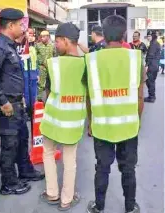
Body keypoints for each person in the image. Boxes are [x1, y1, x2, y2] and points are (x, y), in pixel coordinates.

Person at [0, 8, 44, 196]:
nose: (22, 28)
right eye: (20, 24)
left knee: (22, 139)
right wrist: (3, 101)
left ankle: (25, 170)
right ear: (10, 25)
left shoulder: (9, 46)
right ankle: (8, 183)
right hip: (7, 106)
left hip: (17, 103)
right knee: (10, 145)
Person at [86, 15, 144, 213]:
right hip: (129, 126)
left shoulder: (92, 60)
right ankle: (130, 207)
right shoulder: (135, 57)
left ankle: (98, 206)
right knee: (128, 168)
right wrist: (137, 121)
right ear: (124, 34)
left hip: (102, 126)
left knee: (102, 167)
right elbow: (140, 97)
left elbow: (89, 96)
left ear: (104, 34)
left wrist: (90, 122)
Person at [39, 23, 87, 211]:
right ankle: (66, 199)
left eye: (57, 41)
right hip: (73, 123)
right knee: (70, 161)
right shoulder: (86, 65)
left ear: (66, 41)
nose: (55, 45)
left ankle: (52, 193)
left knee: (48, 154)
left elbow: (47, 93)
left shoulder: (53, 64)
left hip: (51, 121)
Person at [36, 30, 55, 101]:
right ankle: (39, 100)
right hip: (42, 67)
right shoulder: (38, 45)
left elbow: (55, 55)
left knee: (51, 84)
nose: (42, 38)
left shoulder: (52, 45)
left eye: (43, 36)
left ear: (48, 37)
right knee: (40, 85)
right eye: (41, 37)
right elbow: (35, 56)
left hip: (50, 67)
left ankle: (49, 99)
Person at [144, 30, 161, 103]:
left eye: (149, 36)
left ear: (153, 36)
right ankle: (152, 96)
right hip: (154, 65)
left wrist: (146, 66)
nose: (148, 37)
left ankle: (151, 97)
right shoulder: (155, 43)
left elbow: (150, 55)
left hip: (152, 65)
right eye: (147, 36)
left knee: (150, 81)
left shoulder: (153, 44)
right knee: (151, 81)